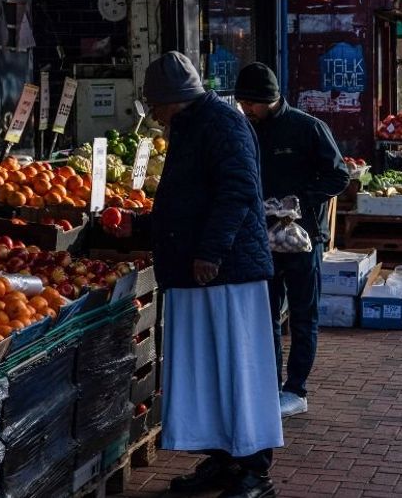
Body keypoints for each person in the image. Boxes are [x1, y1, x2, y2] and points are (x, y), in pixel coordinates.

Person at [144, 52, 282, 498]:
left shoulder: (223, 123)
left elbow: (239, 191)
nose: (153, 113)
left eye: (155, 103)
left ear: (173, 98)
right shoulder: (190, 124)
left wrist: (210, 251)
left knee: (240, 365)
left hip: (227, 271)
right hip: (200, 270)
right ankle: (225, 459)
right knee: (211, 366)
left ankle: (254, 471)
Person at [233, 63, 349, 419]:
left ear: (269, 99)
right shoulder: (244, 129)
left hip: (302, 239)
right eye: (242, 103)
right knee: (265, 315)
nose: (246, 109)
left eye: (251, 103)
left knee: (302, 314)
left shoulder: (308, 127)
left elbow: (339, 175)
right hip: (259, 239)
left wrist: (299, 200)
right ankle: (269, 385)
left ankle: (296, 388)